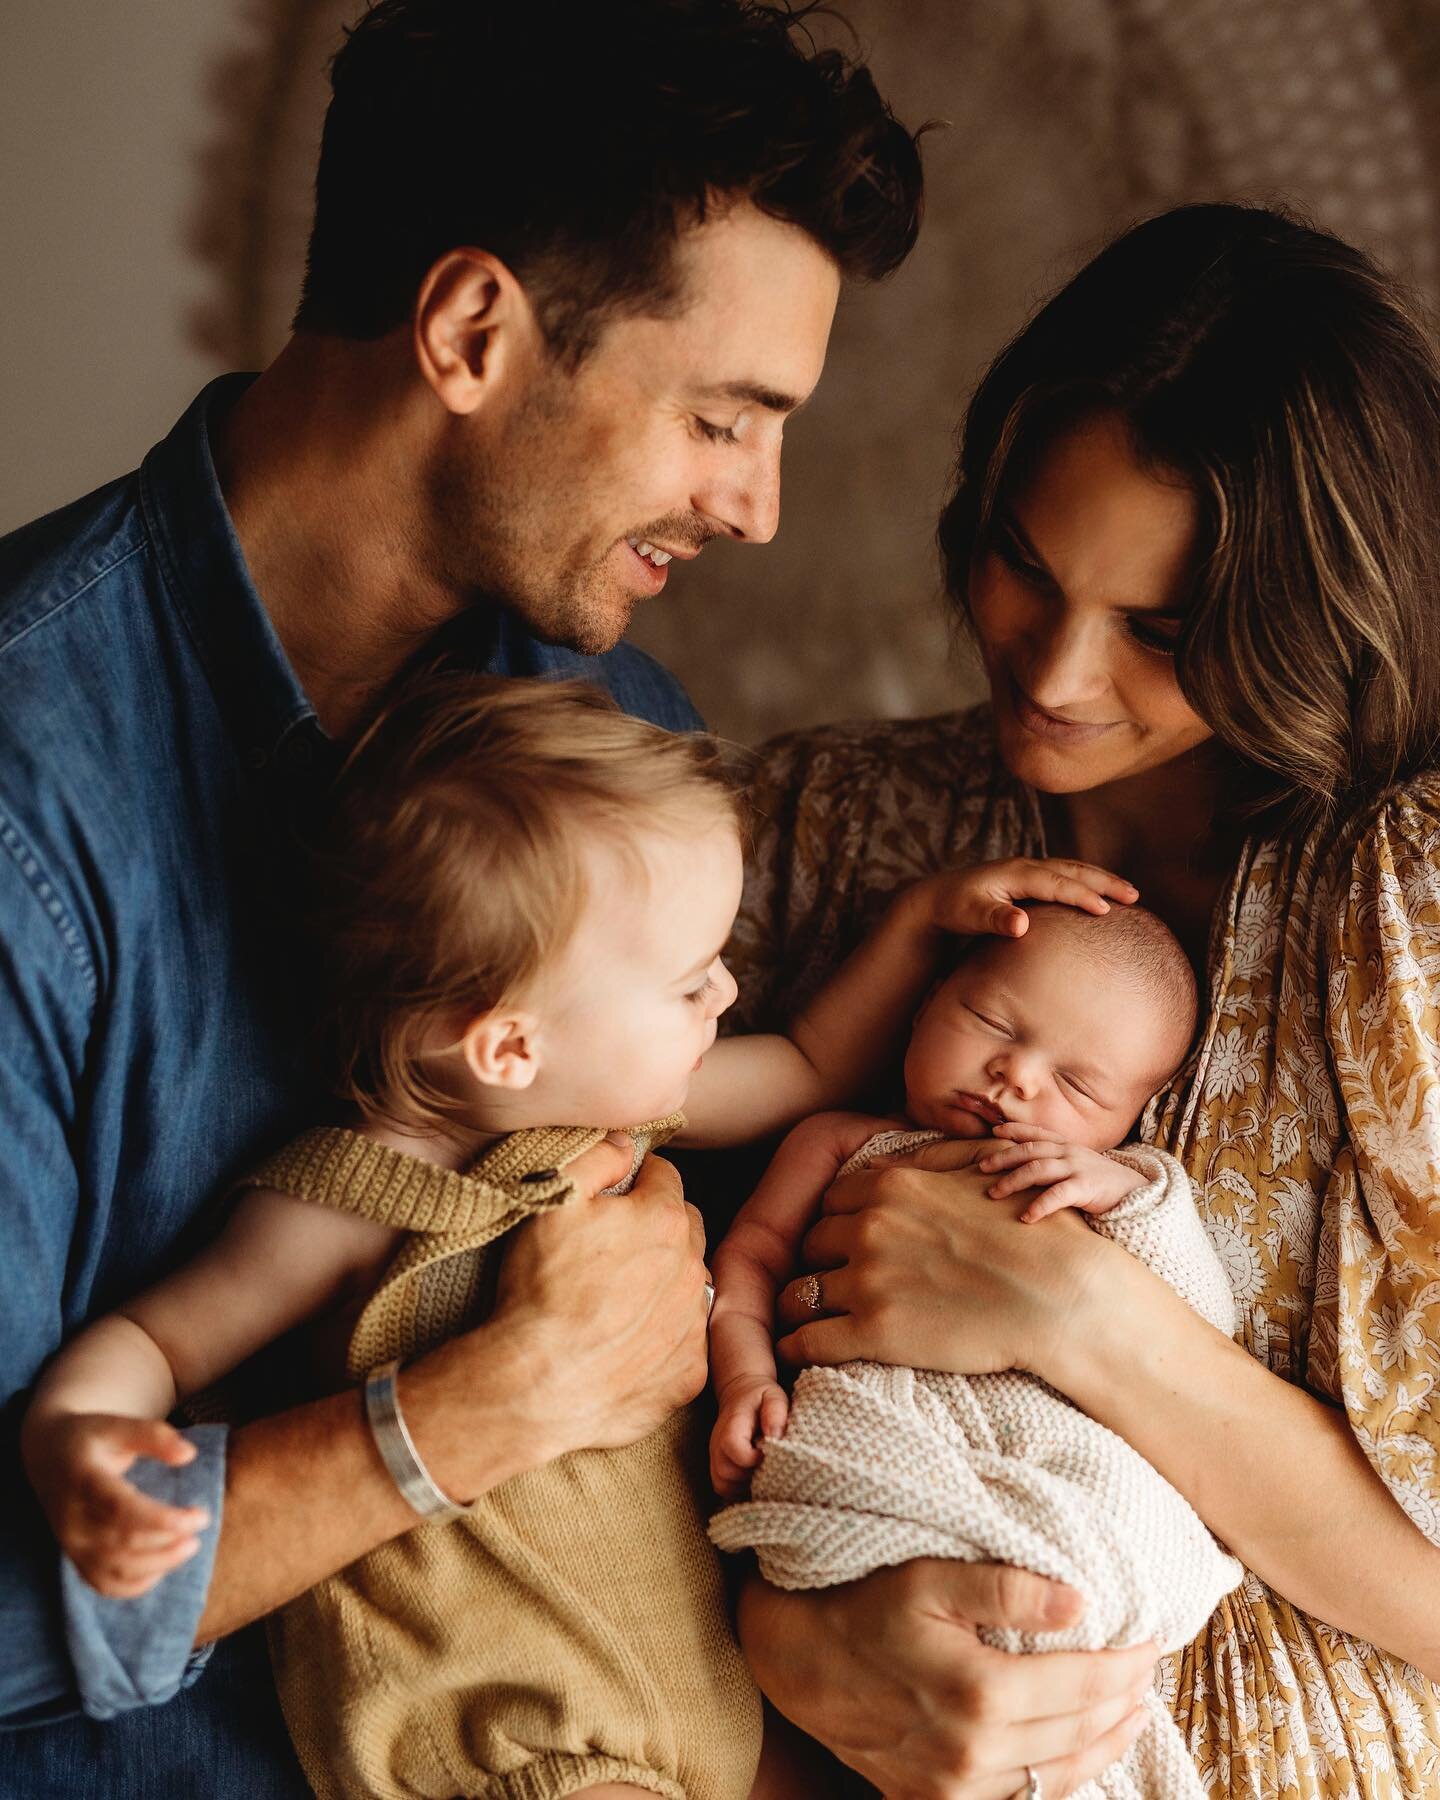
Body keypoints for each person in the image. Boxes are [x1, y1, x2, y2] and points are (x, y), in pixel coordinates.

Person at [0, 2, 924, 1792]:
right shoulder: (30, 802)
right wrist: (462, 1419)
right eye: (723, 418)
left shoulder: (617, 745)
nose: (759, 506)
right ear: (473, 330)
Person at [19, 674, 1130, 1799]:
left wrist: (912, 926)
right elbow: (158, 1342)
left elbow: (805, 1061)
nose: (727, 990)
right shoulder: (346, 1201)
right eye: (692, 983)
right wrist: (78, 1434)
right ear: (509, 1049)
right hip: (516, 1741)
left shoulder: (604, 1106)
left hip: (695, 1698)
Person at [724, 202, 1440, 1798]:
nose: (1051, 674)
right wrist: (795, 1649)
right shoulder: (824, 831)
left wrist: (1084, 1314)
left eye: (1161, 632)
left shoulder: (1403, 918)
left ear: (1300, 624)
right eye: (1022, 567)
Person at [708, 897, 1241, 1799]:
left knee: (1112, 1531)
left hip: (1046, 1451)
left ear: (1132, 1118)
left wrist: (1123, 1192)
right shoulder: (841, 1141)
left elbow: (1200, 1321)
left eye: (1079, 1087)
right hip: (875, 1429)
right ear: (924, 1005)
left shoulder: (1101, 1189)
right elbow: (748, 1260)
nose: (1016, 1077)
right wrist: (746, 1378)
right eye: (991, 1022)